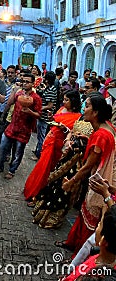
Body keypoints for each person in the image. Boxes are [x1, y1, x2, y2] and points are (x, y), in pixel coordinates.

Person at [56, 94, 115, 255]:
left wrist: (71, 182)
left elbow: (88, 166)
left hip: (101, 183)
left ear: (95, 112)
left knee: (91, 223)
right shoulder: (106, 127)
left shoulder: (101, 135)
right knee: (83, 215)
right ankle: (71, 243)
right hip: (101, 179)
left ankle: (78, 258)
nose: (84, 109)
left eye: (87, 106)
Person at [24, 91, 82, 201]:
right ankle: (33, 190)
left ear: (73, 101)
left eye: (67, 100)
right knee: (41, 166)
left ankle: (38, 194)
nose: (64, 102)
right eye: (64, 99)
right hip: (50, 140)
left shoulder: (77, 117)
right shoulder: (61, 109)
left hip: (58, 144)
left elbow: (72, 132)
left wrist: (64, 128)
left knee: (48, 169)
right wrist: (51, 117)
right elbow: (53, 121)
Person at [0, 73, 42, 179]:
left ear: (33, 84)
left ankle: (12, 170)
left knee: (18, 152)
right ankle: (0, 167)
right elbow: (9, 103)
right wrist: (4, 115)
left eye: (27, 82)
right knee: (2, 148)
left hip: (24, 129)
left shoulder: (36, 98)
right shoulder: (18, 94)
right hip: (12, 126)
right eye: (23, 81)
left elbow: (38, 115)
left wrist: (29, 112)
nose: (24, 84)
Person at [61, 205, 116, 281]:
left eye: (99, 224)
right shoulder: (103, 259)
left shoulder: (89, 274)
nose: (98, 226)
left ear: (103, 240)